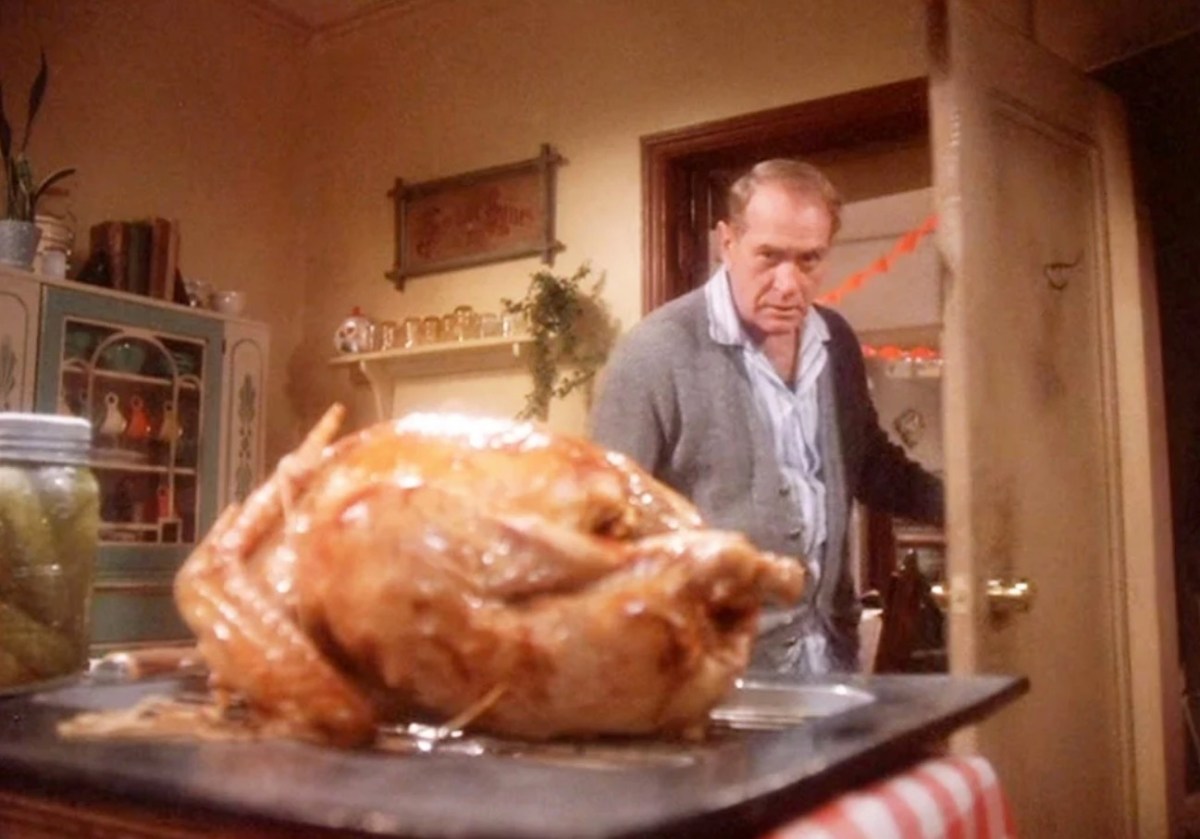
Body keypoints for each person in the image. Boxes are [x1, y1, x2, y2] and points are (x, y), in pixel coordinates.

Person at [589, 159, 943, 675]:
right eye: (769, 256)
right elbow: (606, 524)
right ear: (726, 242)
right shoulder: (656, 352)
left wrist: (972, 507)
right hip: (715, 671)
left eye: (809, 260)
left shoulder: (835, 342)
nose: (788, 284)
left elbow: (868, 465)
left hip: (831, 658)